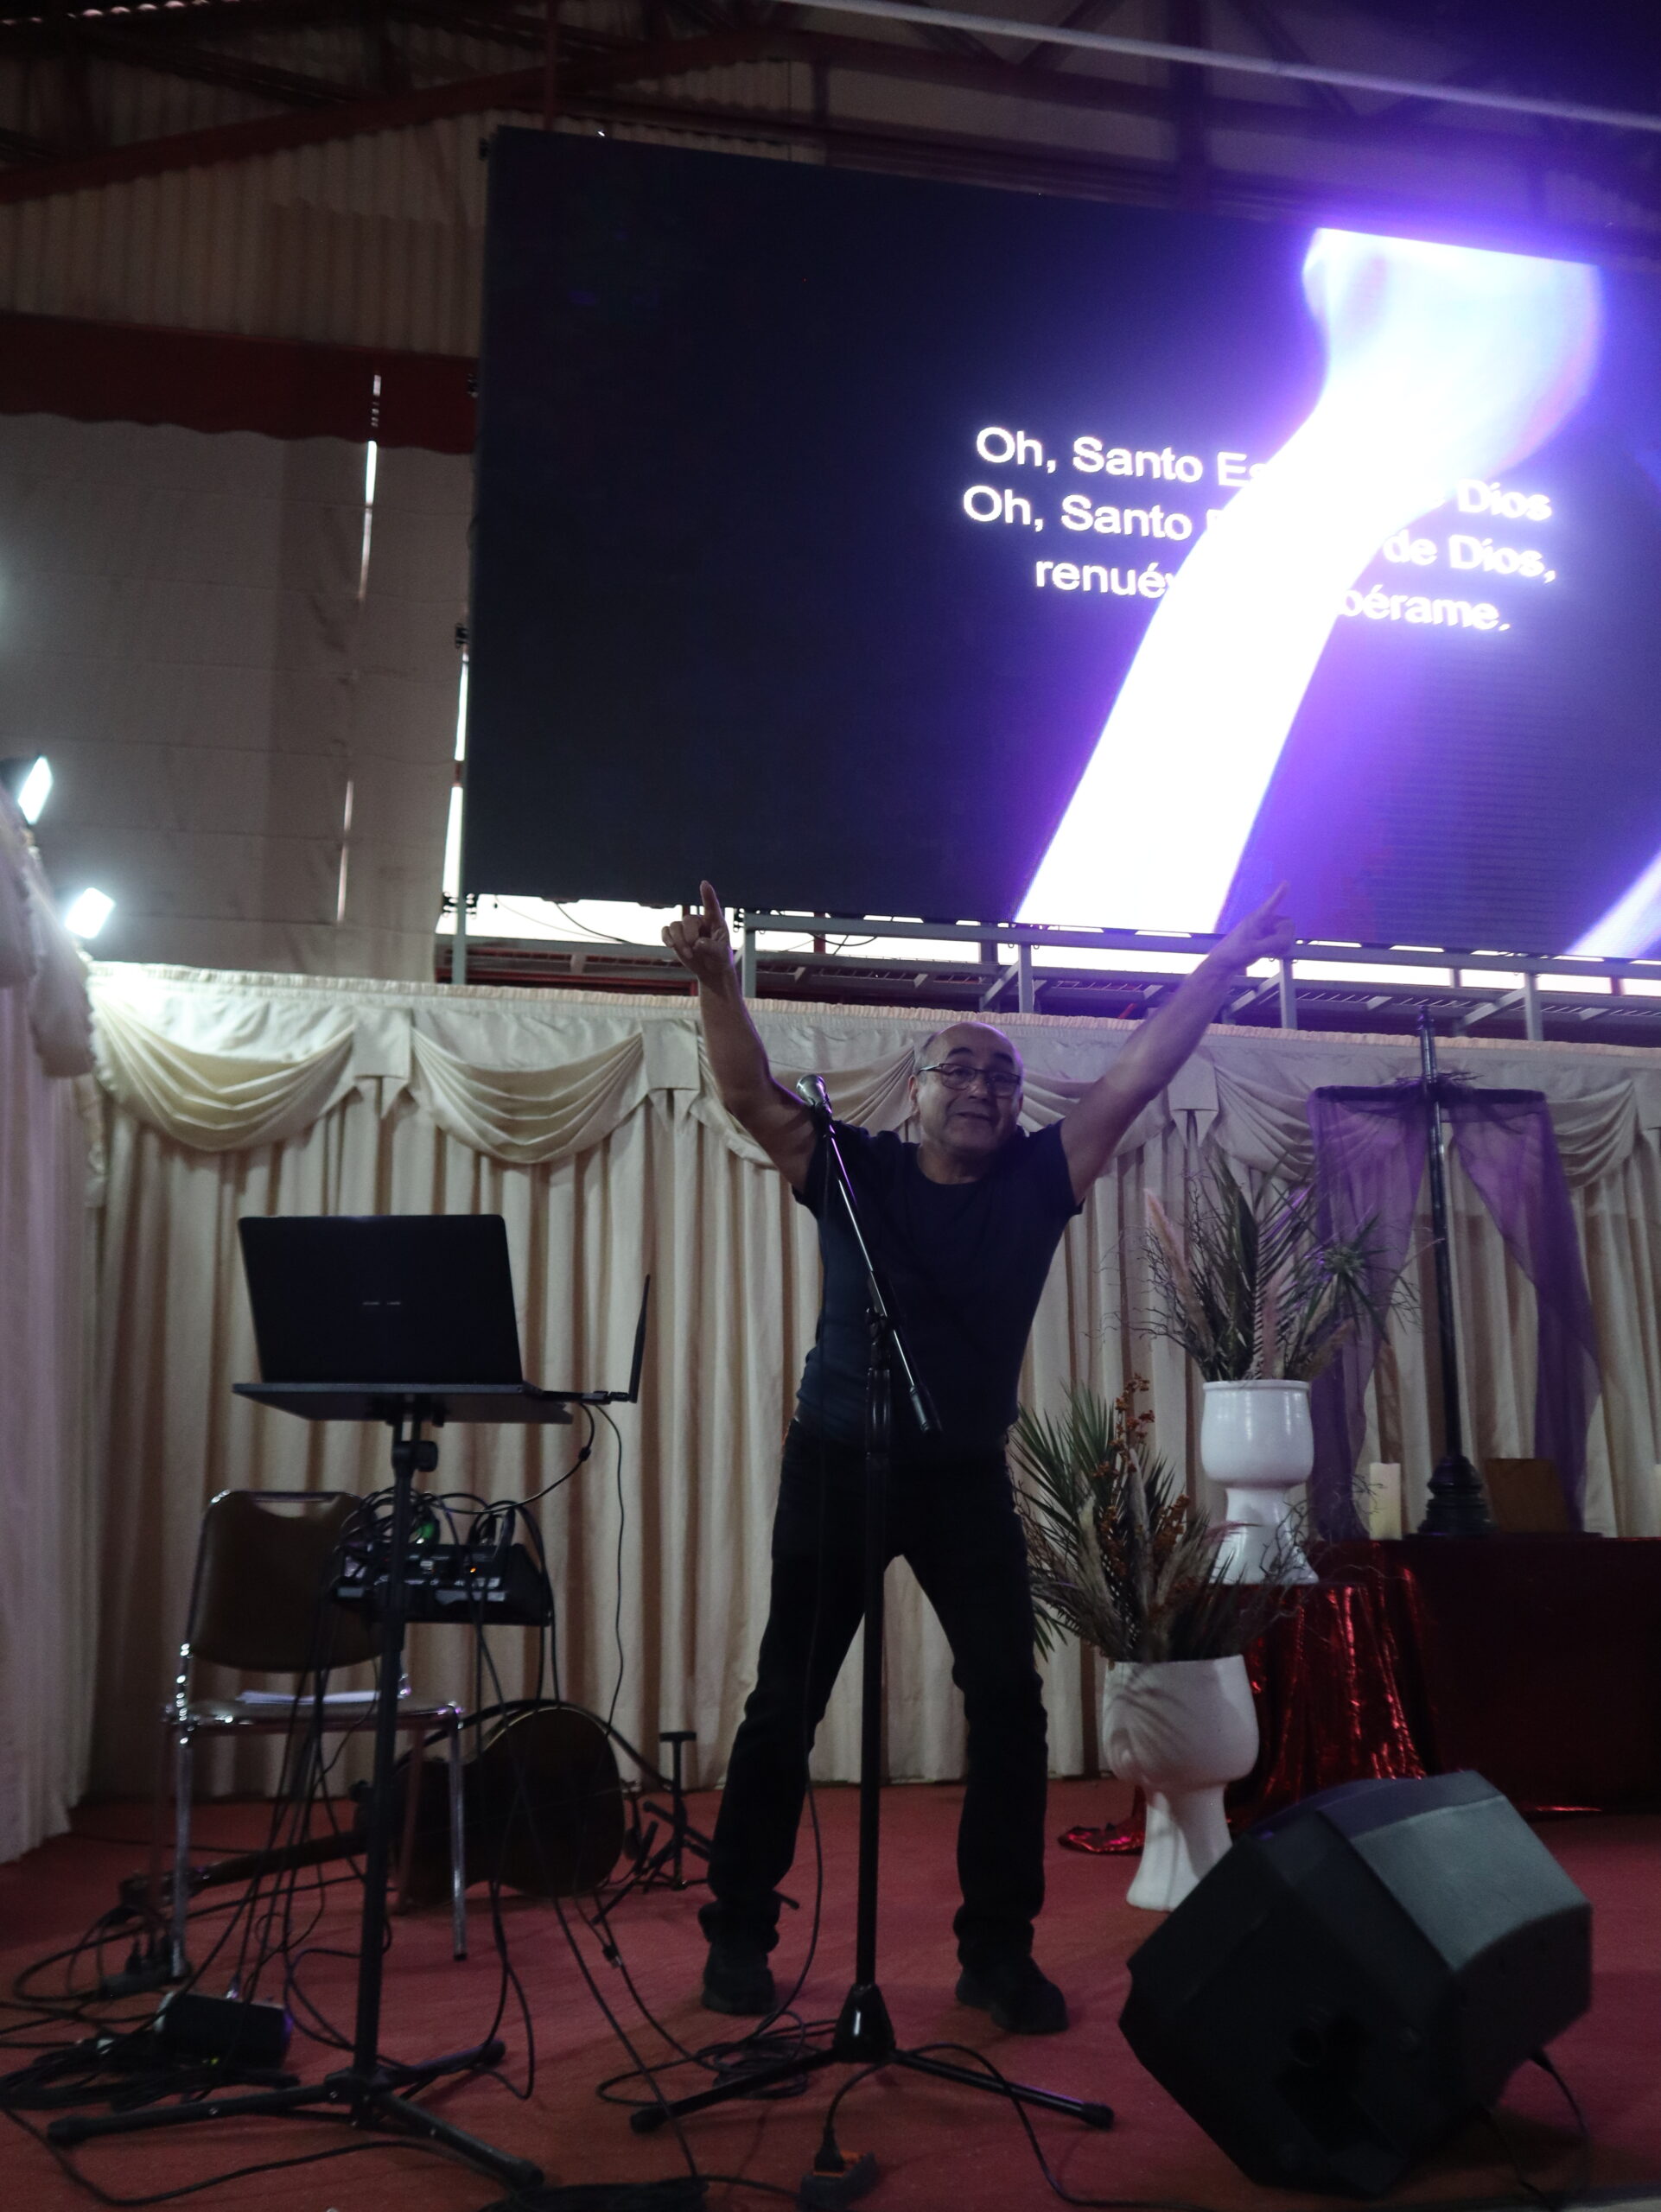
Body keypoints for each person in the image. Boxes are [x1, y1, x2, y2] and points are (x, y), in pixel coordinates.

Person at [663, 881, 1293, 2035]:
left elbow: (1134, 1076)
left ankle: (996, 1953)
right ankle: (739, 1933)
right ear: (915, 1090)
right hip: (836, 1465)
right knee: (784, 1705)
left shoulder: (1038, 1181)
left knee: (1007, 1705)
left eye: (1002, 1076)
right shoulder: (853, 1169)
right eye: (959, 1069)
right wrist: (717, 983)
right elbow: (748, 1094)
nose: (982, 1089)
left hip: (961, 1479)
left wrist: (1222, 968)